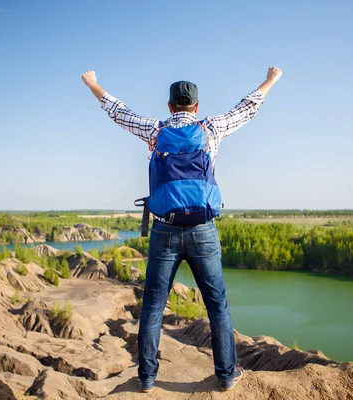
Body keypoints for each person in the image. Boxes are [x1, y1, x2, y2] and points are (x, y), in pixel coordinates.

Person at [81, 67, 282, 392]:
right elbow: (248, 108)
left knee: (153, 307)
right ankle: (227, 375)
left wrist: (94, 85)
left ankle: (146, 379)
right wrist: (271, 79)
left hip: (165, 231)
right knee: (217, 306)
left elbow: (119, 112)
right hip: (203, 230)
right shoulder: (211, 128)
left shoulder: (155, 131)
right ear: (196, 107)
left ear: (171, 106)